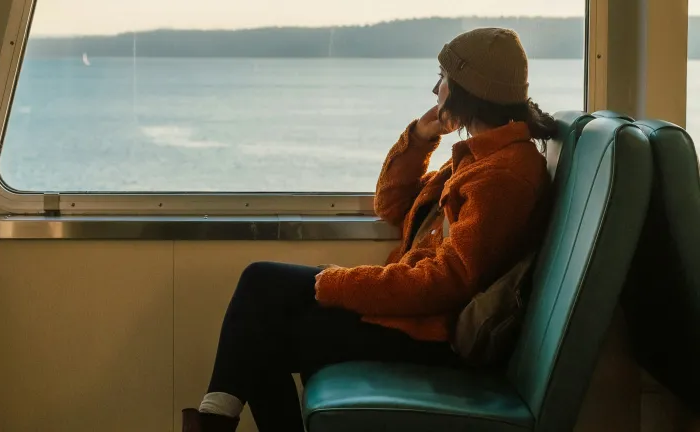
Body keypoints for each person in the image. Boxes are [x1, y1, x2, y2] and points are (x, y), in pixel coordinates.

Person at [182, 27, 557, 432]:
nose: (436, 90)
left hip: (434, 334)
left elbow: (449, 282)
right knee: (261, 308)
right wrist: (418, 138)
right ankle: (212, 421)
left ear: (468, 89)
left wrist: (340, 284)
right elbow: (392, 205)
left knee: (262, 302)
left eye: (443, 79)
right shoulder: (480, 157)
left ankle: (211, 423)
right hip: (418, 317)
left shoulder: (503, 174)